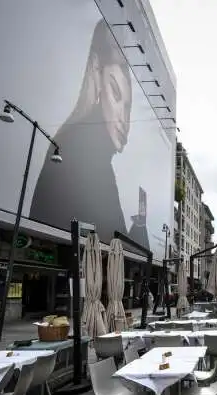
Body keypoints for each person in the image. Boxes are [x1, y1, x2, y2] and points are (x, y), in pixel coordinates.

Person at [30, 20, 134, 241]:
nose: (123, 119)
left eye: (128, 107)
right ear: (96, 73)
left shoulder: (75, 141)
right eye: (115, 93)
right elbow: (115, 236)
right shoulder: (83, 149)